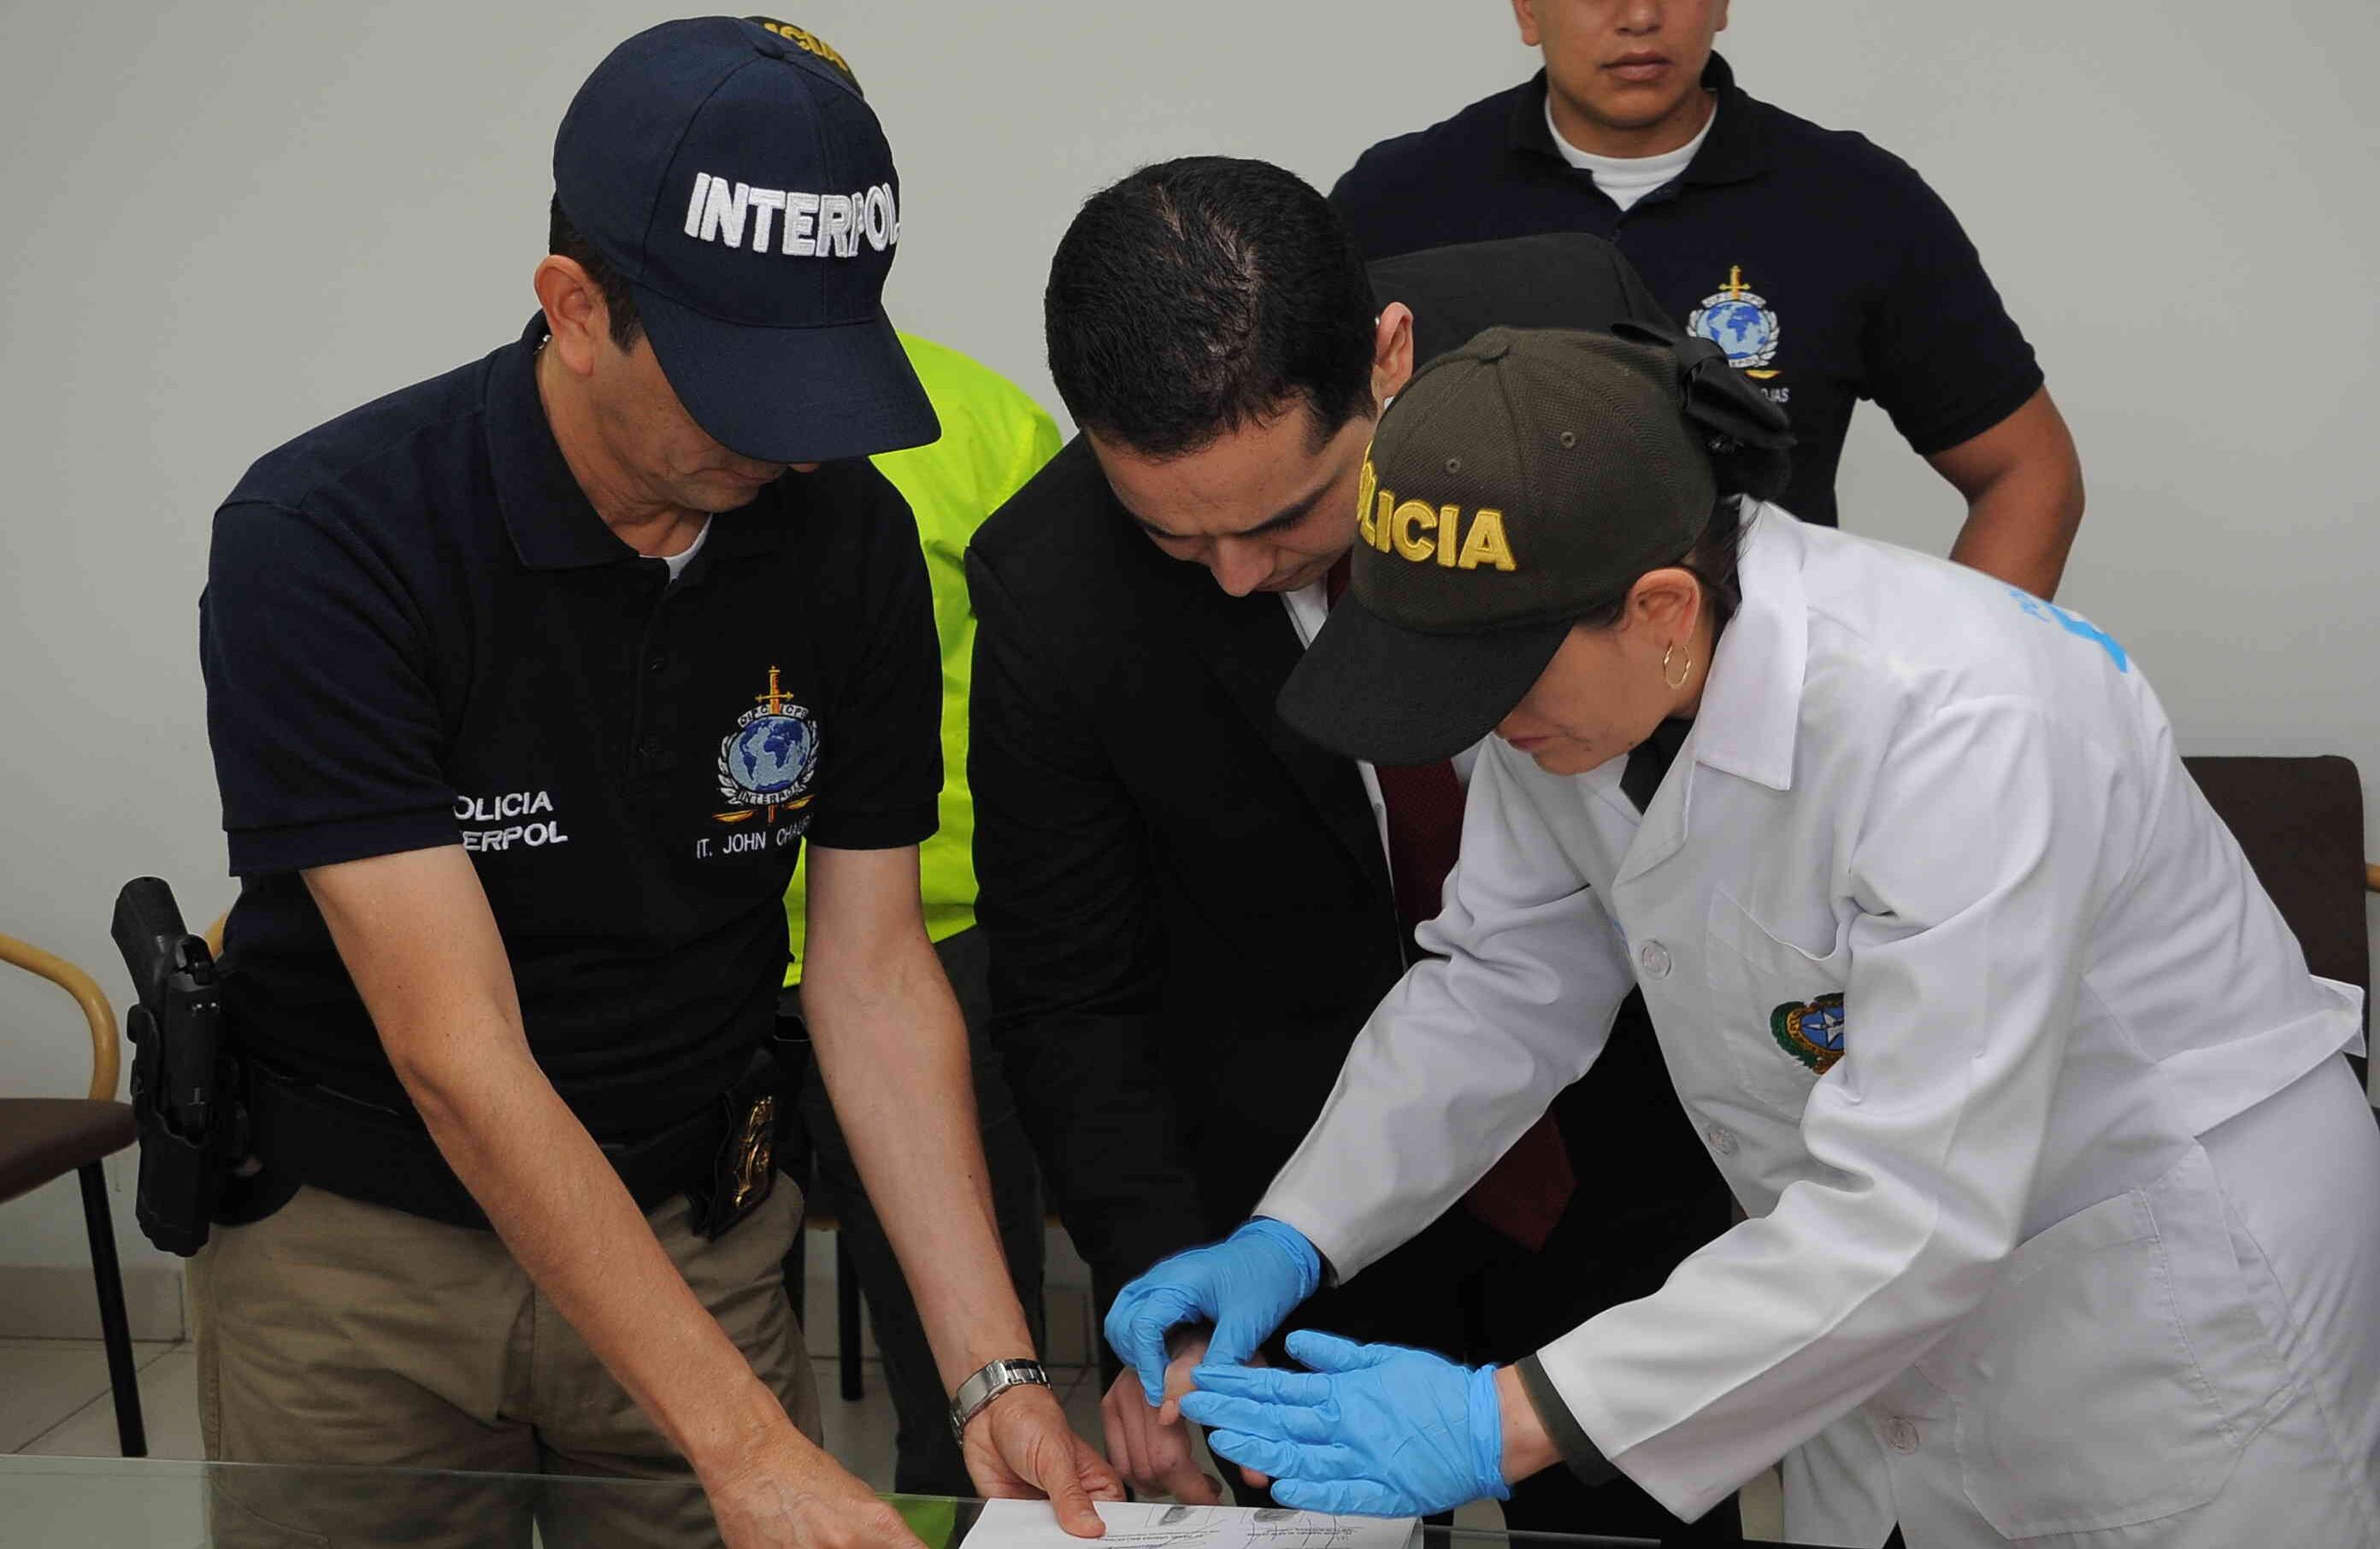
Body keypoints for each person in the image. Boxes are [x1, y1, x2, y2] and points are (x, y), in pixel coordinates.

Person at [1109, 325, 2380, 1547]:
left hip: (2148, 1287)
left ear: (1663, 608)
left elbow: (1916, 1207)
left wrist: (1508, 1419)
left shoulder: (1962, 723)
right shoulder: (1581, 683)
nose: (1486, 728)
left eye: (1493, 687)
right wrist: (1297, 1230)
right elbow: (1504, 981)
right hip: (1874, 1289)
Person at [195, 18, 1116, 1548]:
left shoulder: (849, 539)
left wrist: (993, 1370)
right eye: (741, 382)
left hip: (698, 1220)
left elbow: (874, 977)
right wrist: (746, 1447)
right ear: (575, 308)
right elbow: (457, 1047)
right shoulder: (331, 537)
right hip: (367, 1266)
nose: (793, 446)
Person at [968, 156, 1736, 1540]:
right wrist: (1187, 1286)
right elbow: (1072, 993)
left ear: (1388, 360)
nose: (1236, 574)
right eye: (1172, 535)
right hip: (1300, 1145)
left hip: (1632, 1117)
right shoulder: (1051, 583)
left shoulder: (1574, 359)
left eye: (1282, 517)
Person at [1329, 0, 2086, 600]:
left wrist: (1951, 690)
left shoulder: (1856, 204)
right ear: (1527, 9)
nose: (1640, 15)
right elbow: (1301, 452)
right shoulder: (1399, 200)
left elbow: (2030, 474)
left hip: (1768, 699)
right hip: (1472, 701)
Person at [777, 323, 1063, 1499]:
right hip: (703, 965)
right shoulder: (678, 427)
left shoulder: (987, 422)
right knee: (689, 1368)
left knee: (965, 1367)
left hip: (939, 952)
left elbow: (1063, 690)